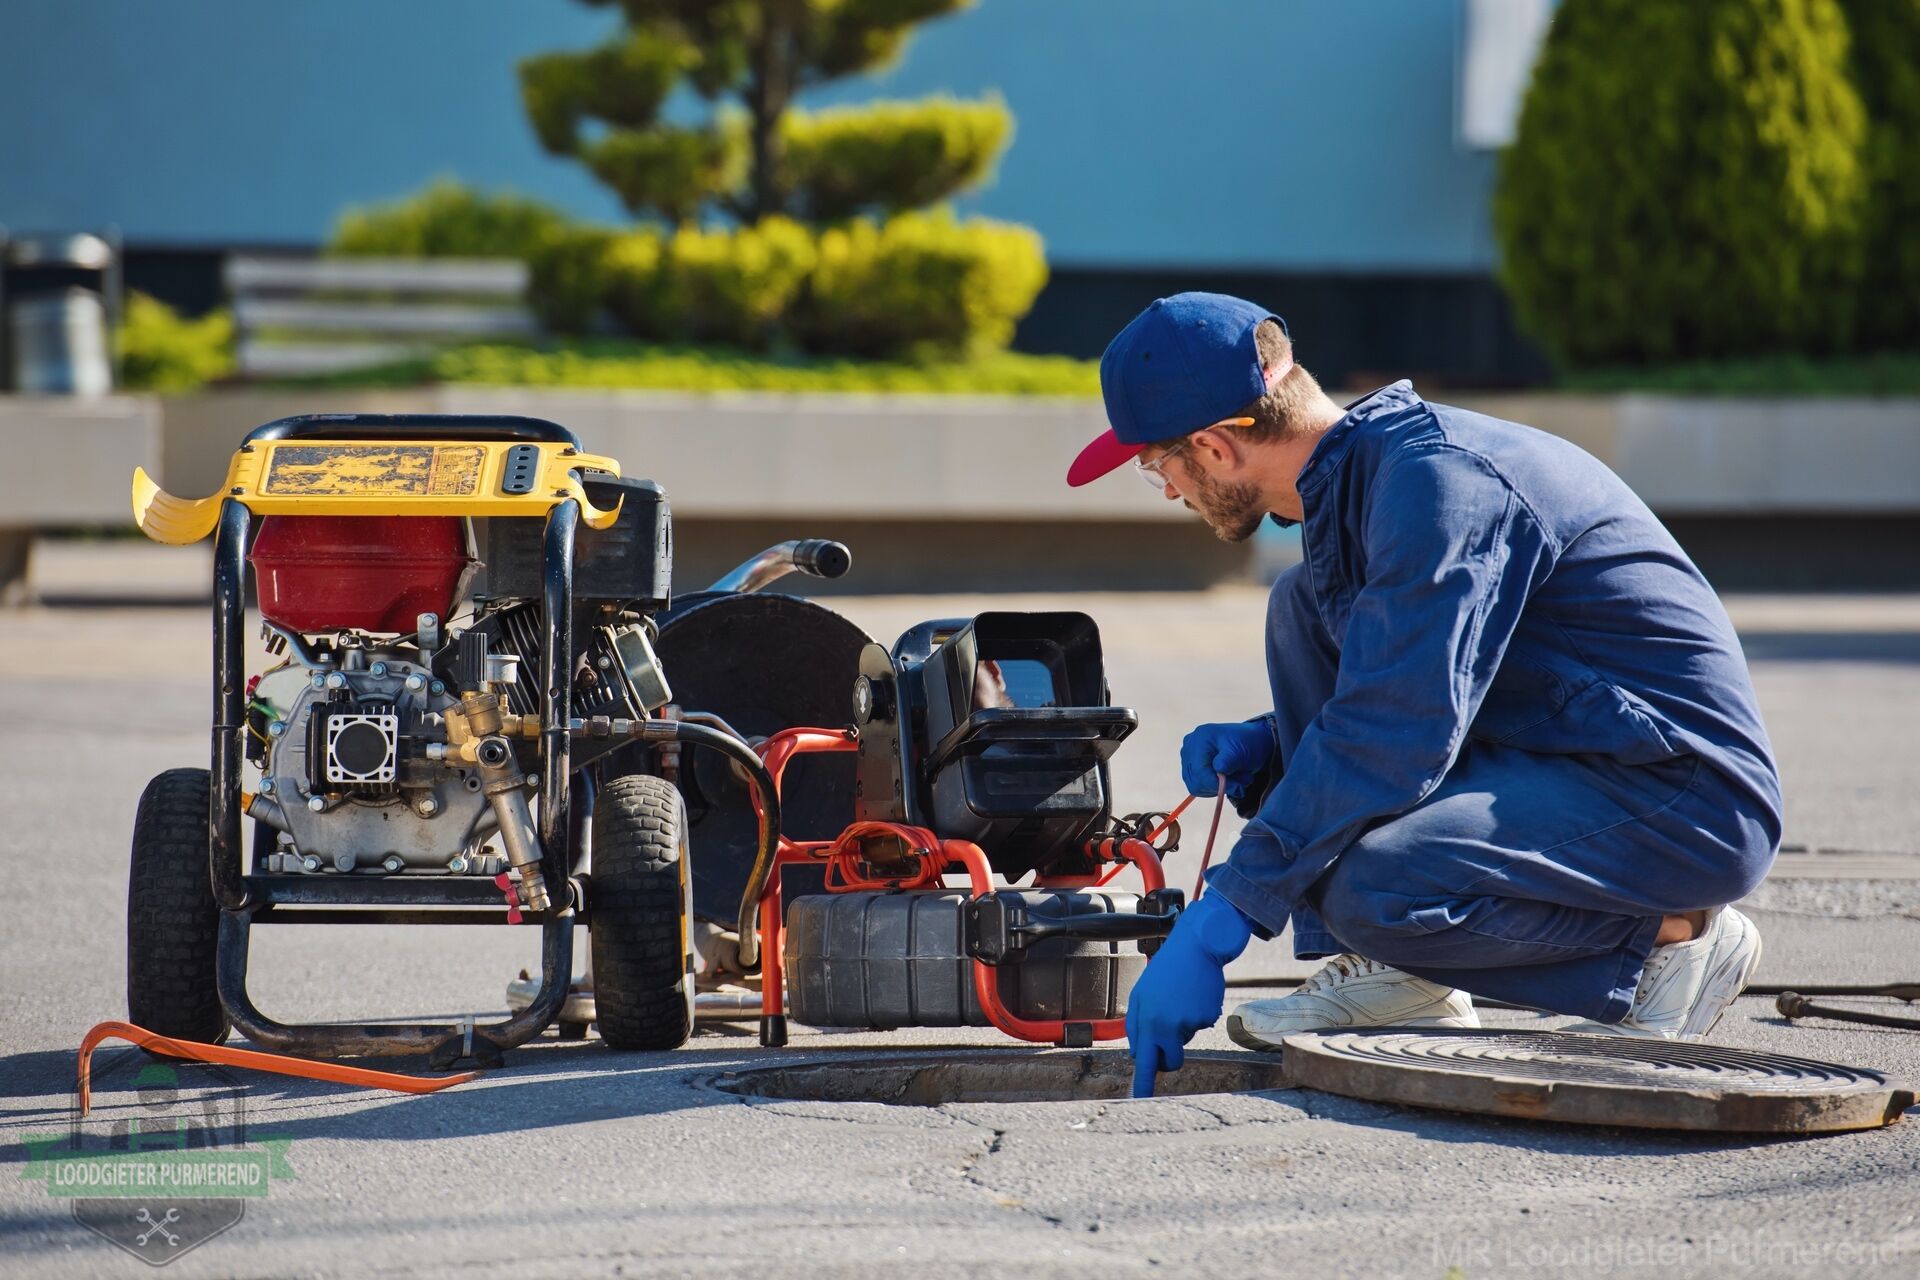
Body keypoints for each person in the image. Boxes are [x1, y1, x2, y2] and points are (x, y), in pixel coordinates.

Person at [1065, 293, 1782, 1097]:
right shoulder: (1370, 487)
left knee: (1376, 886)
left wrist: (1221, 919)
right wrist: (1273, 741)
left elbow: (1392, 730)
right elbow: (1421, 679)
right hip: (1576, 756)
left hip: (1681, 798)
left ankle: (1670, 944)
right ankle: (1405, 980)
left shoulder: (1439, 486)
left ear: (1214, 447)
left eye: (1156, 464)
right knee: (1301, 608)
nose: (1165, 490)